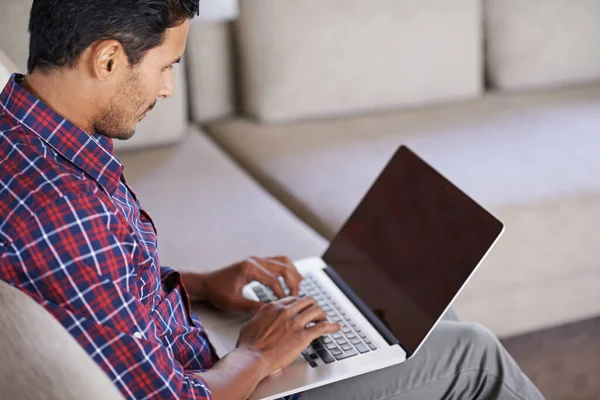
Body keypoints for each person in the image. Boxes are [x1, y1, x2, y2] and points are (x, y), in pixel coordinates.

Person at [0, 1, 545, 399]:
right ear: (109, 60)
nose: (167, 89)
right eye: (166, 67)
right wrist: (257, 354)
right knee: (473, 353)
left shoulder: (29, 138)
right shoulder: (66, 207)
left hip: (195, 346)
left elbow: (93, 285)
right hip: (212, 380)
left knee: (413, 318)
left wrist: (200, 283)